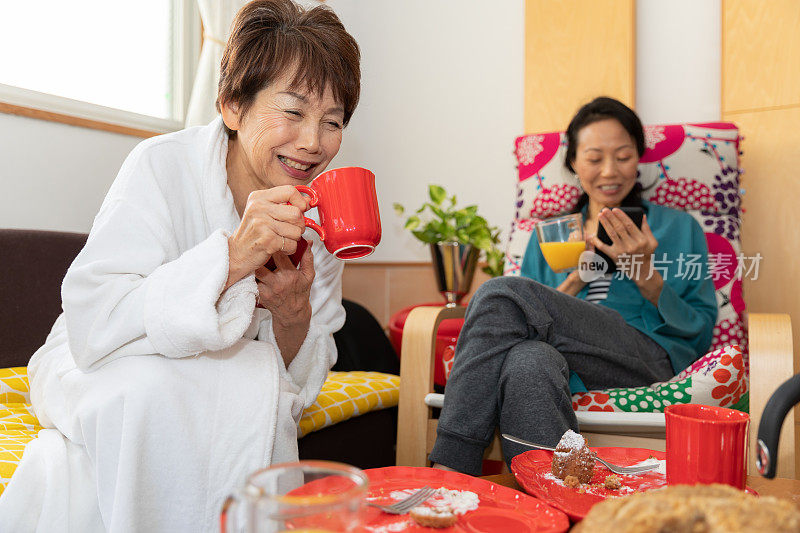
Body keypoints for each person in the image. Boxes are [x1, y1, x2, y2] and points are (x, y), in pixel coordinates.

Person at [0, 1, 361, 530]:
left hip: (232, 380)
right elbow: (95, 319)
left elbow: (290, 383)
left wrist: (291, 315)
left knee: (248, 392)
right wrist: (233, 258)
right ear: (233, 106)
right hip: (104, 365)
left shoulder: (324, 221)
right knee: (150, 392)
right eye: (292, 111)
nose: (313, 141)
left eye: (332, 122)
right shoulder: (162, 164)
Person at [429, 97, 717, 475]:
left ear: (639, 159)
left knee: (501, 292)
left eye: (624, 156)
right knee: (527, 361)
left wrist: (644, 272)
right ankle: (556, 499)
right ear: (574, 164)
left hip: (646, 358)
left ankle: (450, 469)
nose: (610, 171)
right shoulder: (552, 235)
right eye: (595, 158)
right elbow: (523, 321)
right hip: (568, 363)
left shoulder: (677, 228)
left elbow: (700, 330)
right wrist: (578, 276)